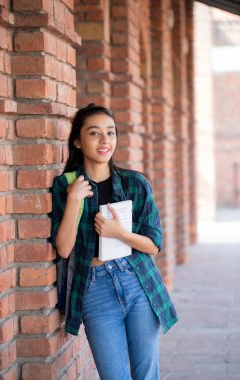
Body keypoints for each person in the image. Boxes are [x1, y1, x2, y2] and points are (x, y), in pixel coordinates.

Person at [51, 103, 178, 380]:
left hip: (138, 280)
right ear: (78, 140)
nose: (104, 140)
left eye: (110, 133)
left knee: (146, 374)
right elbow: (63, 248)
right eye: (94, 133)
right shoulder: (66, 186)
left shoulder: (135, 183)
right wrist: (74, 200)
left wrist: (119, 233)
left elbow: (154, 244)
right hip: (95, 288)